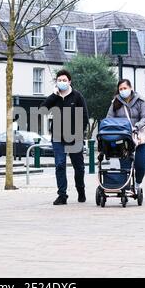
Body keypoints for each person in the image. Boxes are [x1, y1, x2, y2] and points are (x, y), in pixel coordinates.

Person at [40, 69, 89, 205]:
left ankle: (81, 190)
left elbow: (84, 116)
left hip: (74, 137)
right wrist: (54, 96)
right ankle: (62, 195)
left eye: (64, 80)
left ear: (69, 82)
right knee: (60, 165)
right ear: (56, 82)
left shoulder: (77, 96)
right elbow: (42, 110)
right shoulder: (54, 97)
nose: (62, 82)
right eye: (59, 80)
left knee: (78, 167)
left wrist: (80, 133)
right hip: (57, 137)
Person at [106, 79, 145, 189]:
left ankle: (138, 183)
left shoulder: (140, 101)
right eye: (120, 89)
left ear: (130, 88)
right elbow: (109, 119)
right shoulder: (115, 103)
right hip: (123, 138)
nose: (122, 91)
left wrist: (137, 126)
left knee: (141, 165)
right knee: (125, 166)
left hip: (138, 136)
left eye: (125, 88)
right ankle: (125, 189)